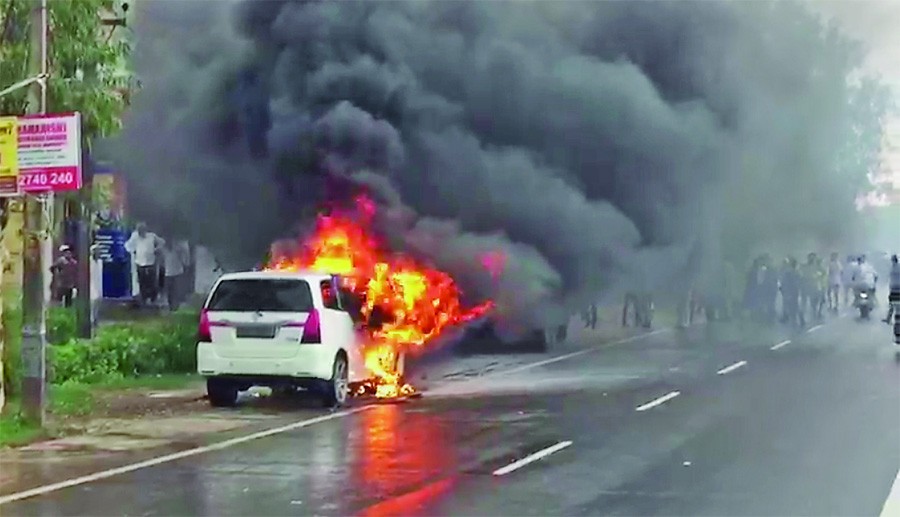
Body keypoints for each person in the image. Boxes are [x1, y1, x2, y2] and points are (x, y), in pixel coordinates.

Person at [125, 222, 165, 306]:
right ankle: (144, 300)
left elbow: (162, 242)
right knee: (142, 282)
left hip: (150, 262)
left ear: (145, 230)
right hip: (139, 262)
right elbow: (127, 245)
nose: (140, 232)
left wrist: (157, 249)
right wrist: (133, 251)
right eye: (139, 230)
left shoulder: (151, 236)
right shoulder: (135, 236)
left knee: (152, 281)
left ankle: (153, 299)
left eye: (142, 230)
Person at [780, 257, 803, 327]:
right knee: (795, 305)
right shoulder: (797, 272)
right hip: (794, 290)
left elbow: (784, 282)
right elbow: (800, 281)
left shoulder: (788, 272)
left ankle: (789, 318)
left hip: (790, 290)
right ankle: (800, 319)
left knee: (789, 304)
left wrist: (782, 289)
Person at [89, 244, 103, 329]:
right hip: (92, 284)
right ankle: (91, 320)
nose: (98, 253)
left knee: (98, 302)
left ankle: (96, 319)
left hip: (99, 284)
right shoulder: (89, 262)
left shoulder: (100, 262)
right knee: (92, 303)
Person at [884, 254, 899, 324]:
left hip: (894, 288)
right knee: (892, 304)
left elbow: (888, 278)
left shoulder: (892, 268)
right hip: (895, 288)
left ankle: (888, 319)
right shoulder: (893, 268)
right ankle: (888, 319)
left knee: (892, 305)